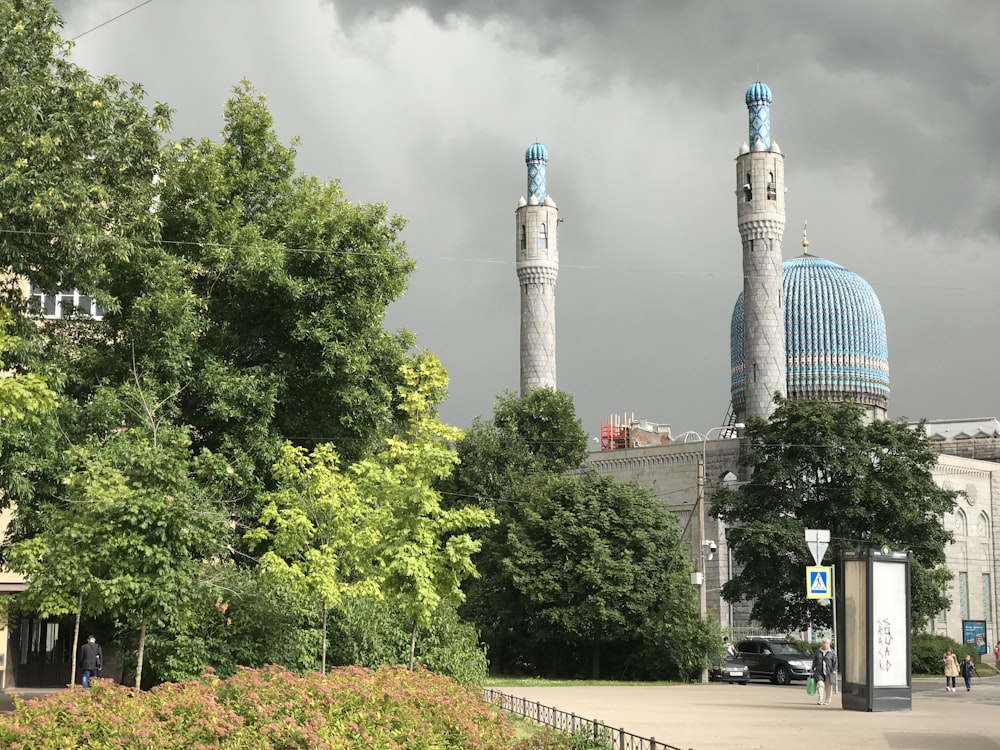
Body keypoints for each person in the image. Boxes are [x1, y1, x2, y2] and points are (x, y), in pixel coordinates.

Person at [811, 638, 838, 706]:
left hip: (829, 672)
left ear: (829, 644)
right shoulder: (818, 651)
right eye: (823, 643)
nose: (824, 645)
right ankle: (820, 699)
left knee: (828, 687)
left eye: (826, 643)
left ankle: (827, 701)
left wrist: (834, 670)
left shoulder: (832, 652)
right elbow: (814, 660)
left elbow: (835, 662)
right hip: (819, 671)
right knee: (820, 685)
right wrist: (812, 668)